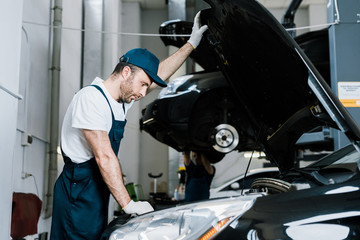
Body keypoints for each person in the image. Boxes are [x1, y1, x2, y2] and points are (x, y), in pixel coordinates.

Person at [50, 11, 208, 240]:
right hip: (77, 193)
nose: (144, 93)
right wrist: (127, 203)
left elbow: (158, 73)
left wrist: (190, 44)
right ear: (126, 72)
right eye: (142, 84)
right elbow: (104, 156)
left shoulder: (121, 101)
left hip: (95, 192)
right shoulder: (91, 99)